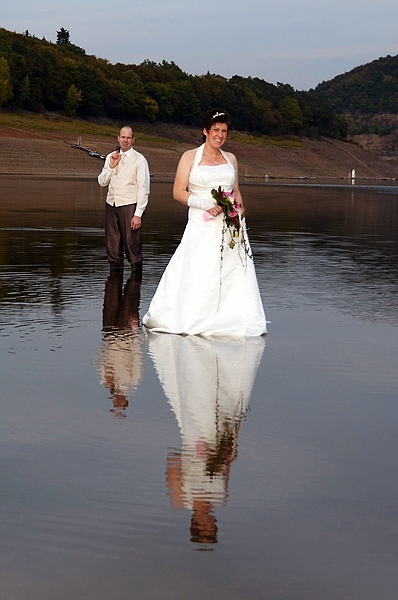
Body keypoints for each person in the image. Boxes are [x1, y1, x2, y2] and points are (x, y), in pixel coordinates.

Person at [143, 109, 266, 337]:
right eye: (216, 130)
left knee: (231, 272)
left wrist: (240, 212)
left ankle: (229, 317)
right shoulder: (189, 157)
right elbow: (178, 192)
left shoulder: (232, 160)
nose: (220, 135)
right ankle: (193, 316)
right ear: (205, 131)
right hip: (201, 223)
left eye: (224, 131)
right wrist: (204, 204)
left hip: (229, 225)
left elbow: (235, 191)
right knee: (199, 269)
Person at [98, 126, 150, 272]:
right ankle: (113, 285)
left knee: (132, 245)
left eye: (128, 137)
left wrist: (138, 214)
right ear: (118, 138)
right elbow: (102, 182)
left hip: (130, 205)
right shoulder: (111, 157)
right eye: (123, 137)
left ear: (133, 139)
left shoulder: (139, 160)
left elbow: (144, 188)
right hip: (111, 203)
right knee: (112, 245)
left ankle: (135, 285)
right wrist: (111, 166)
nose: (125, 140)